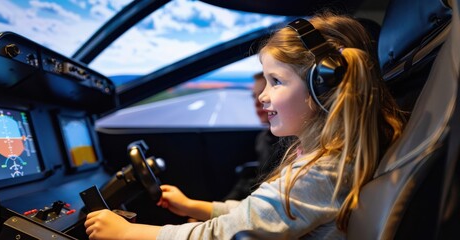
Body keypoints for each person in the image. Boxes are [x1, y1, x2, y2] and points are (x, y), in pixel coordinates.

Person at [84, 12, 406, 239]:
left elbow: (227, 235)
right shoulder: (325, 159)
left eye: (275, 81)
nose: (263, 96)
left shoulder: (322, 172)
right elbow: (257, 217)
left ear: (323, 86)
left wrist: (128, 233)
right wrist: (197, 207)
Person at [222, 72, 280, 201]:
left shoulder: (294, 144)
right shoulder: (263, 138)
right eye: (254, 96)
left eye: (264, 94)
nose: (258, 102)